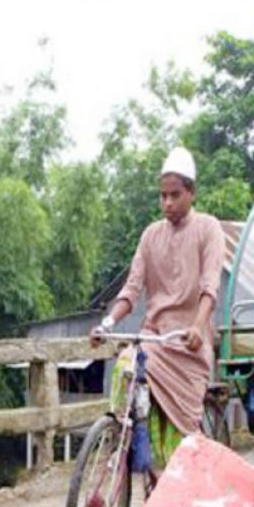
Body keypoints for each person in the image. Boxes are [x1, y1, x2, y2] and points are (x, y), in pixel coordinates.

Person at [90, 146, 224, 469]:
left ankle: (179, 503)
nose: (167, 203)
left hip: (188, 347)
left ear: (191, 193)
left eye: (175, 195)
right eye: (162, 196)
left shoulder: (208, 229)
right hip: (154, 341)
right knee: (125, 364)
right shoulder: (150, 236)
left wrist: (197, 325)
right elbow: (132, 288)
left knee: (174, 451)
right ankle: (120, 444)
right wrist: (107, 323)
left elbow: (210, 287)